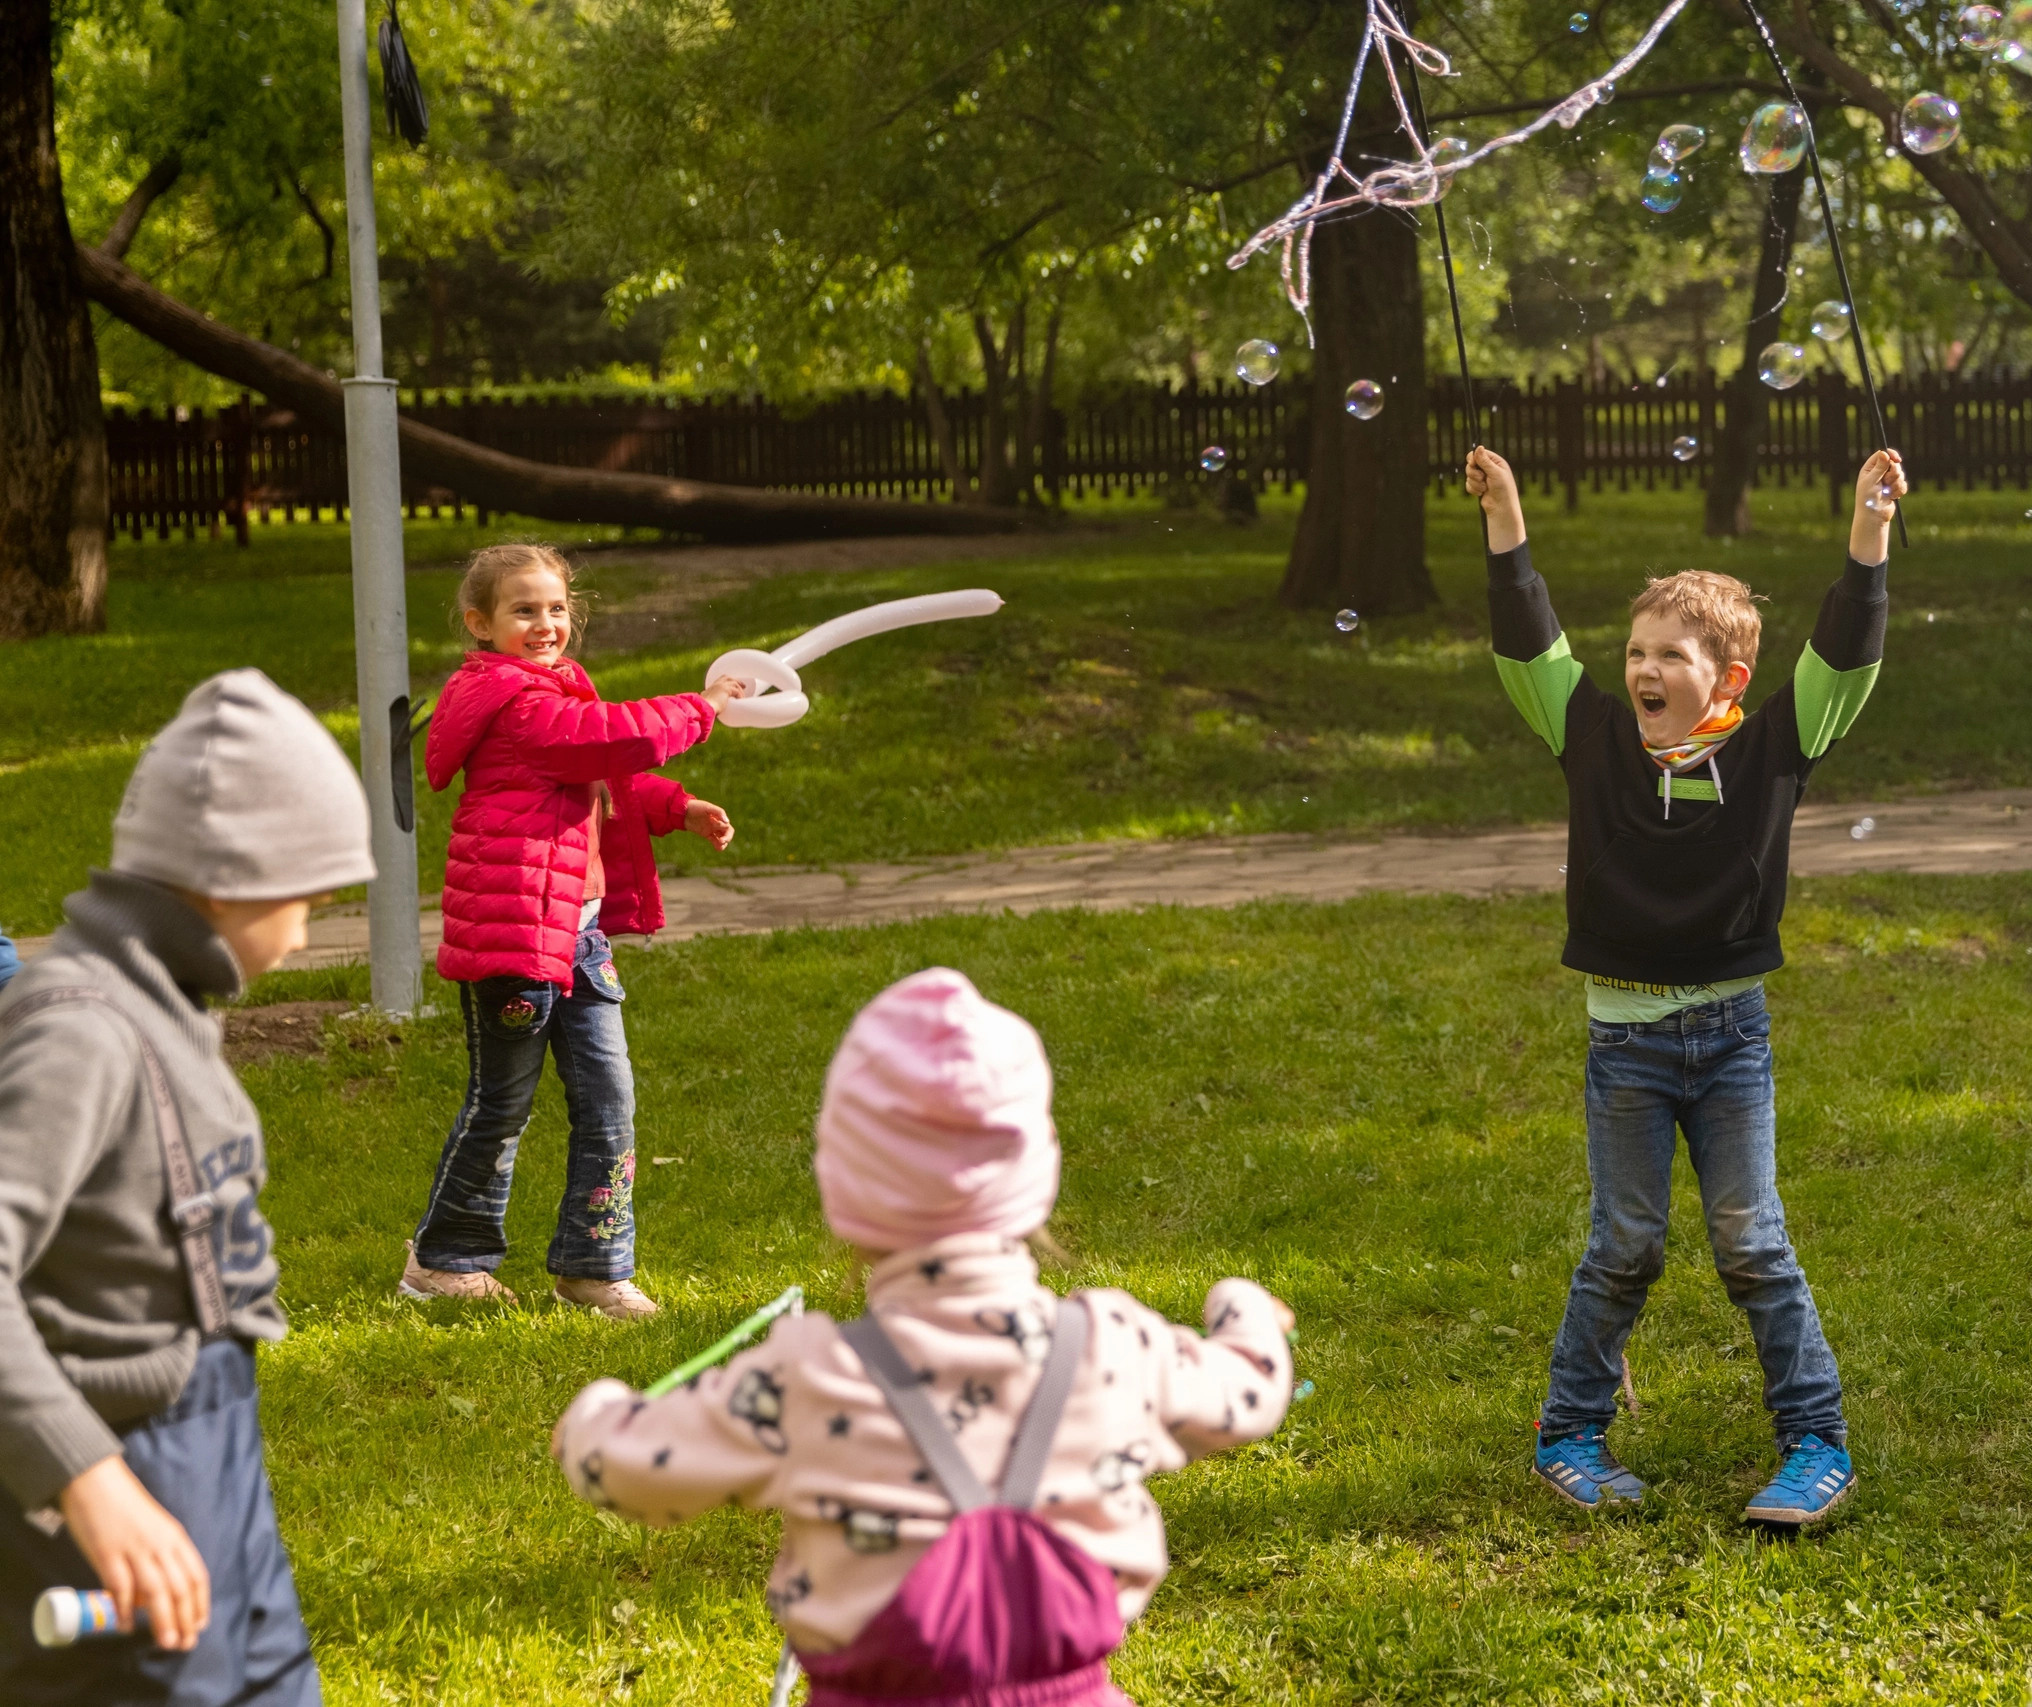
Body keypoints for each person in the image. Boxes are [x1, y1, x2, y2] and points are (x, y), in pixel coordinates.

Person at [551, 967, 1295, 1707]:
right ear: (1032, 1173)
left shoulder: (810, 1375)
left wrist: (597, 1412)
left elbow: (616, 1465)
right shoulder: (1116, 1346)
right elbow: (1252, 1389)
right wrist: (1243, 1305)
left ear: (844, 1186)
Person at [1464, 443, 1906, 1527]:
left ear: (1729, 681)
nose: (1643, 668)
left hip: (1730, 1039)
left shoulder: (1774, 749)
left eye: (1671, 653)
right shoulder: (1591, 738)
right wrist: (1507, 513)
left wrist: (1870, 529)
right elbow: (1529, 642)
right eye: (1635, 650)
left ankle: (1816, 1446)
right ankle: (1568, 1435)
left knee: (1751, 1242)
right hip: (1624, 1046)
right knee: (1624, 1244)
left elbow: (1844, 655)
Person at [0, 668, 377, 1703]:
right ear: (227, 878)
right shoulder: (84, 1025)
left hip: (217, 1455)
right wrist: (85, 1478)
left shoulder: (167, 997)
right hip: (112, 1472)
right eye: (304, 898)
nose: (304, 935)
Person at [399, 543, 749, 1320]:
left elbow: (601, 774)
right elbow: (606, 740)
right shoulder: (513, 700)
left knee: (609, 1098)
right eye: (524, 610)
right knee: (503, 1102)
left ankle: (593, 1267)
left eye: (557, 608)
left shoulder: (547, 694)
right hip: (516, 936)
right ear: (480, 623)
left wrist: (673, 807)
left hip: (577, 934)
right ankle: (443, 1260)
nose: (546, 622)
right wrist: (704, 706)